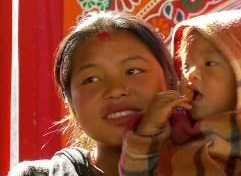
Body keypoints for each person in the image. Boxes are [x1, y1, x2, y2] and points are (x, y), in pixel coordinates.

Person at [120, 5, 241, 175]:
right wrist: (147, 131)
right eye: (186, 67)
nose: (190, 75)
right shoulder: (175, 129)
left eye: (209, 63)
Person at [9, 11, 186, 175]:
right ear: (70, 104)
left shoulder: (203, 166)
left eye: (133, 71)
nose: (116, 90)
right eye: (91, 79)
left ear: (171, 80)